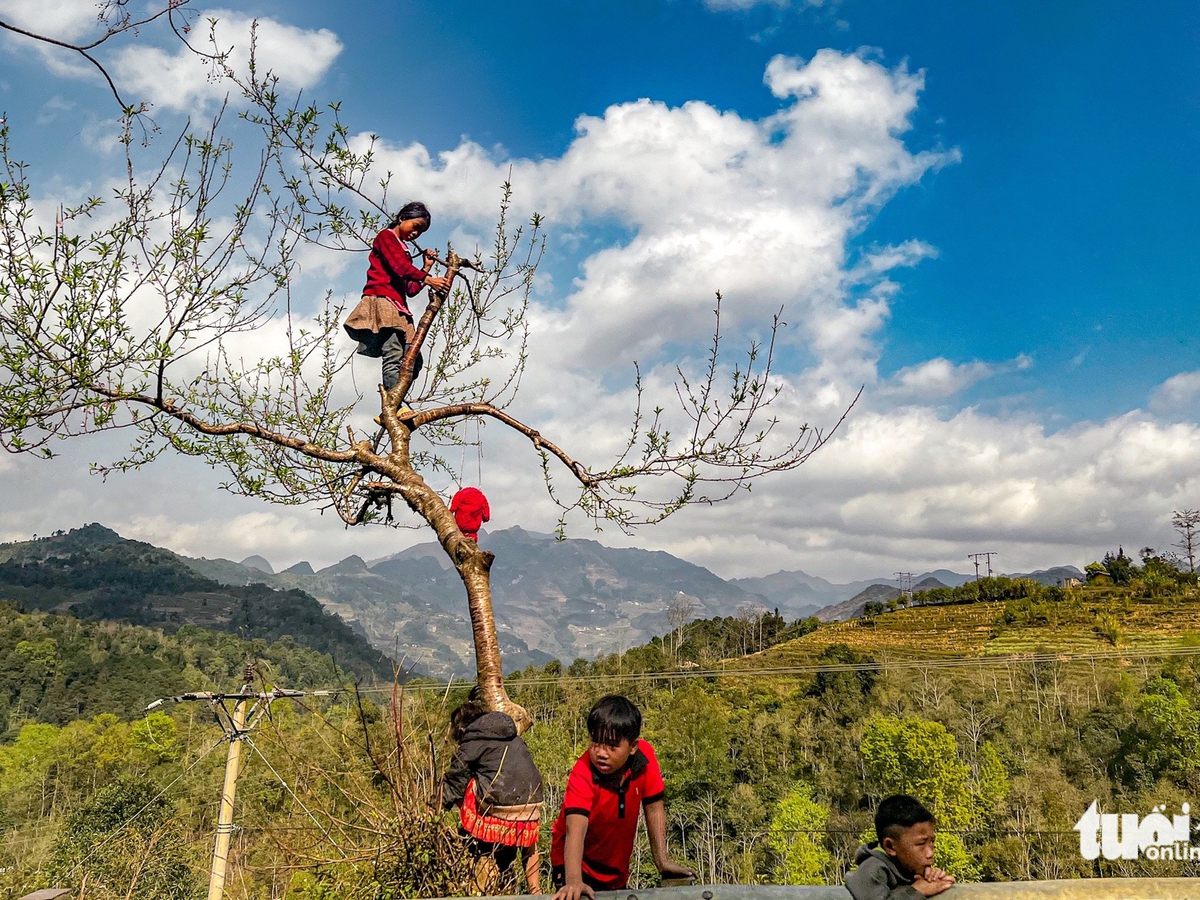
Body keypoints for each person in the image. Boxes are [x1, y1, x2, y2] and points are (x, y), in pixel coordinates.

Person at [550, 695, 694, 900]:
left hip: (615, 868)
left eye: (612, 746)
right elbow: (575, 829)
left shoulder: (645, 759)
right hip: (575, 866)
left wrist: (662, 862)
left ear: (633, 747)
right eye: (595, 741)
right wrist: (573, 881)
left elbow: (654, 807)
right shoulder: (582, 773)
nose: (601, 752)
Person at [343, 201, 453, 392]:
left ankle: (396, 400)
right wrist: (429, 279)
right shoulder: (386, 237)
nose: (415, 234)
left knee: (413, 360)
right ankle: (394, 405)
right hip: (382, 300)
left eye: (420, 232)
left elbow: (409, 289)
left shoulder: (404, 249)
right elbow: (400, 267)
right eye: (415, 227)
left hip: (399, 307)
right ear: (402, 218)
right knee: (393, 351)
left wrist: (425, 267)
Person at [442, 698, 544, 894]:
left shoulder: (472, 740)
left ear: (461, 729)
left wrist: (435, 808)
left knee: (470, 782)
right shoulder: (513, 736)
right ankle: (536, 890)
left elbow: (455, 780)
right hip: (532, 803)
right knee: (529, 844)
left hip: (500, 808)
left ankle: (483, 846)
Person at [845, 795, 956, 900]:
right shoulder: (871, 871)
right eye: (921, 844)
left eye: (932, 841)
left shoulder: (907, 865)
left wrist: (934, 880)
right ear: (890, 847)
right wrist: (915, 891)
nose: (930, 853)